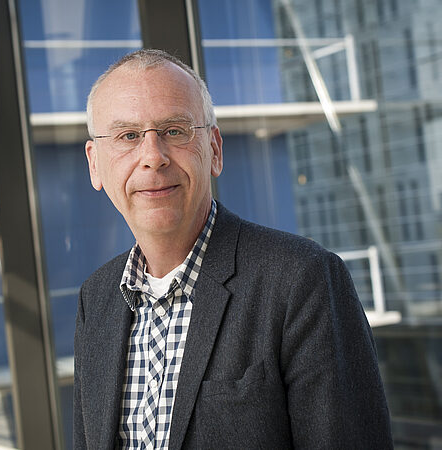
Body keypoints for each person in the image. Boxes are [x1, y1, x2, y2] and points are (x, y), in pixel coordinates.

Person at [74, 48, 393, 449]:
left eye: (175, 131)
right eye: (128, 136)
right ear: (95, 164)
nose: (152, 157)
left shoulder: (301, 280)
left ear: (215, 149)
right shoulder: (96, 299)